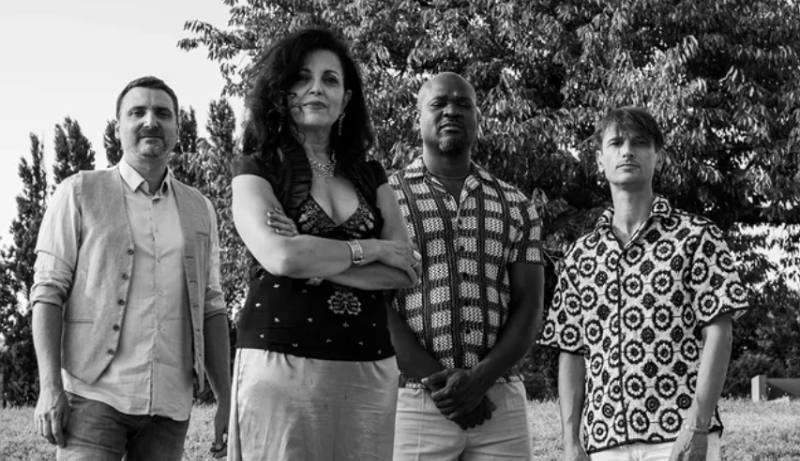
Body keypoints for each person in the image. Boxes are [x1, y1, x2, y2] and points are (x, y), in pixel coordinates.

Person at [229, 28, 421, 460]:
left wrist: (311, 255)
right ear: (282, 92)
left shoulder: (370, 175)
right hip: (280, 362)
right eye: (302, 78)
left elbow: (406, 269)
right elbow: (281, 256)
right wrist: (371, 249)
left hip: (370, 367)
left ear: (346, 99)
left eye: (330, 80)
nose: (316, 88)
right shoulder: (257, 169)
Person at [30, 76, 231, 460]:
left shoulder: (200, 208)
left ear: (177, 128)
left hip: (169, 406)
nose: (150, 121)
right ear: (118, 126)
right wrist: (49, 386)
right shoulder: (78, 191)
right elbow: (48, 291)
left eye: (163, 113)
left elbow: (212, 305)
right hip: (92, 397)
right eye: (137, 112)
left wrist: (224, 398)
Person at [538, 107, 749, 461]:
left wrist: (697, 426)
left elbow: (719, 333)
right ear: (599, 160)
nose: (627, 151)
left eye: (639, 143)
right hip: (603, 442)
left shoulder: (697, 237)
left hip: (679, 436)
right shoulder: (580, 255)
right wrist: (570, 441)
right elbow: (571, 350)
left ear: (659, 158)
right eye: (616, 143)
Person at [388, 72, 545, 460]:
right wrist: (441, 384)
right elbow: (376, 305)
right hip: (411, 398)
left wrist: (479, 379)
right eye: (438, 104)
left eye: (463, 104)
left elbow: (529, 305)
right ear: (418, 118)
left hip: (499, 396)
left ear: (478, 117)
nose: (451, 111)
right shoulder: (386, 199)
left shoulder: (516, 204)